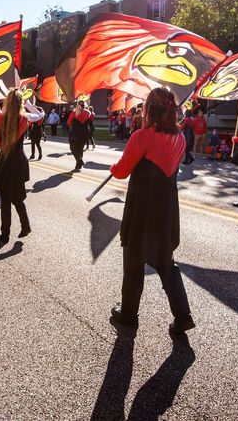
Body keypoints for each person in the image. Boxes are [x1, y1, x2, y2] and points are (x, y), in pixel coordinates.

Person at [108, 87, 194, 334]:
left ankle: (128, 316)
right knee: (166, 262)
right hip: (166, 209)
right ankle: (183, 315)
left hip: (143, 208)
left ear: (149, 110)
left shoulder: (141, 136)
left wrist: (114, 167)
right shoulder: (180, 138)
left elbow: (122, 170)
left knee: (134, 263)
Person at [0, 88, 44, 243]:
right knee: (18, 197)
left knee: (5, 200)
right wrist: (28, 104)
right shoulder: (25, 118)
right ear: (21, 103)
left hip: (5, 160)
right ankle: (25, 225)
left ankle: (5, 234)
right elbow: (41, 115)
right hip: (19, 162)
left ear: (7, 101)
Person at [67, 100, 93, 171]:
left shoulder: (74, 113)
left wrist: (73, 124)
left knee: (73, 148)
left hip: (75, 132)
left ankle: (79, 161)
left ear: (77, 105)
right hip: (84, 133)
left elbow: (68, 122)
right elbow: (90, 120)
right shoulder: (88, 113)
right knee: (80, 149)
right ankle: (78, 166)